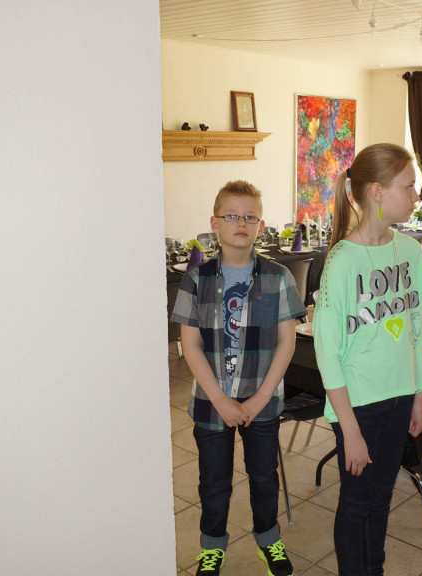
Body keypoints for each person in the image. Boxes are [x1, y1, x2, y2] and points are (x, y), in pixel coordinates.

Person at [171, 180, 305, 576]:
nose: (240, 223)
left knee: (264, 477)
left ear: (261, 226)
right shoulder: (196, 279)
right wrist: (221, 401)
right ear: (215, 223)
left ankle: (268, 539)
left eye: (249, 217)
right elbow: (191, 346)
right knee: (214, 483)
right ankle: (212, 546)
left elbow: (286, 343)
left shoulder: (279, 276)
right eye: (231, 216)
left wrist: (260, 398)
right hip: (211, 404)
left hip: (262, 403)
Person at [313, 143, 422, 575]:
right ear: (378, 192)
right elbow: (327, 354)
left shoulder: (411, 251)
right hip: (358, 406)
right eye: (409, 187)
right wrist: (350, 430)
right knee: (356, 501)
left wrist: (419, 396)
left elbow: (416, 327)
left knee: (382, 498)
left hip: (400, 398)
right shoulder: (342, 261)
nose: (416, 196)